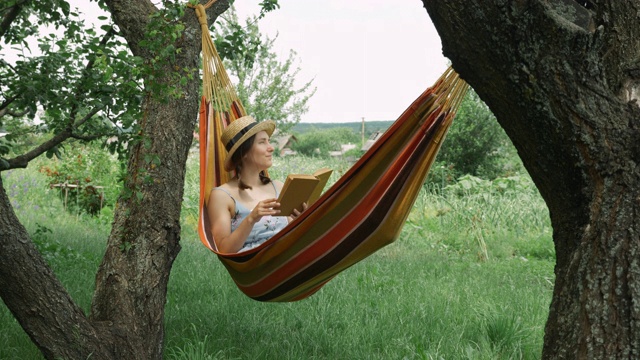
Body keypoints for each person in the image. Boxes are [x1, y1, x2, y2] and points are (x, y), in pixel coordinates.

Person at [207, 115, 304, 253]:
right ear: (244, 152)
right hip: (256, 267)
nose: (271, 148)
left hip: (287, 258)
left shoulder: (278, 186)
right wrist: (251, 219)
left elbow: (288, 234)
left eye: (269, 141)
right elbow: (224, 249)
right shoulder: (222, 196)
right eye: (262, 142)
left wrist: (299, 220)